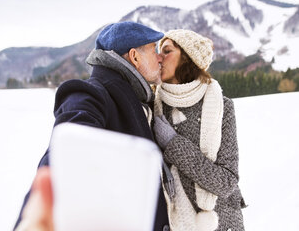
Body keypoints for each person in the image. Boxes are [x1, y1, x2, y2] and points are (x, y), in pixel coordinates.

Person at [14, 21, 170, 231]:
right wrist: (45, 212)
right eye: (154, 50)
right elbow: (69, 152)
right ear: (135, 56)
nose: (160, 57)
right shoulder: (91, 94)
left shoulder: (142, 101)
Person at [153, 29, 246, 231]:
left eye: (167, 51)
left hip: (222, 222)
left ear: (187, 58)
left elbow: (226, 181)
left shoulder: (222, 107)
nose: (159, 57)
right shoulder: (154, 106)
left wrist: (172, 143)